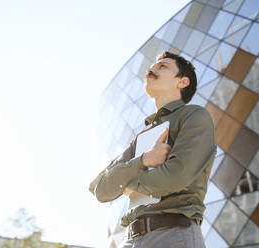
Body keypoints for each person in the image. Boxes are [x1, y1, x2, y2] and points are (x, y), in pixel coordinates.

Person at [89, 51, 216, 248]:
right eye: (153, 66)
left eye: (162, 66)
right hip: (129, 239)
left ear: (182, 82)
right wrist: (142, 161)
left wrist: (129, 182)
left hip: (172, 235)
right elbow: (101, 189)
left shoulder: (194, 116)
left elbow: (175, 177)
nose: (151, 69)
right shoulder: (142, 137)